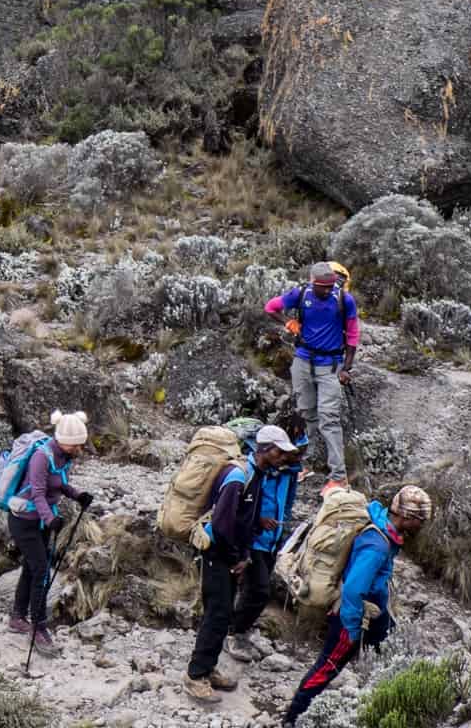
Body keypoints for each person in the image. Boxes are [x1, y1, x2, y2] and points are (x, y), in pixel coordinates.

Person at [283, 485, 433, 725]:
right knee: (328, 667)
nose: (422, 525)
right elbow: (354, 589)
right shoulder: (377, 545)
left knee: (394, 652)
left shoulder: (383, 531)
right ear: (405, 516)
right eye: (420, 519)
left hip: (375, 613)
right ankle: (293, 717)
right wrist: (352, 630)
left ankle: (397, 706)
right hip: (351, 616)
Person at [183, 425, 305, 701]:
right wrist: (236, 558)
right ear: (264, 449)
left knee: (222, 612)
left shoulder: (256, 475)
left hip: (229, 554)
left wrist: (245, 556)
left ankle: (207, 666)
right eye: (278, 451)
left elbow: (245, 522)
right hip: (217, 553)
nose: (282, 457)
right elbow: (223, 525)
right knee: (217, 614)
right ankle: (195, 676)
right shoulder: (240, 477)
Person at [3, 409, 94, 659]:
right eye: (78, 444)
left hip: (40, 521)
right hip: (24, 520)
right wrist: (50, 519)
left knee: (31, 568)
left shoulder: (62, 456)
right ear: (66, 441)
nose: (81, 448)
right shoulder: (41, 457)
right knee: (42, 570)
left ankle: (17, 617)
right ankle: (38, 627)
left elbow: (59, 483)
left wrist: (78, 495)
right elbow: (38, 493)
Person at [265, 263, 359, 492]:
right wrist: (288, 322)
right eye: (322, 288)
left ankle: (338, 476)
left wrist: (347, 368)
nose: (327, 291)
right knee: (307, 413)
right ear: (312, 283)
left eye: (330, 287)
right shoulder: (301, 294)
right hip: (303, 361)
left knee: (329, 419)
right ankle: (308, 463)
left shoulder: (344, 300)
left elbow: (353, 335)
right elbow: (270, 307)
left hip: (330, 365)